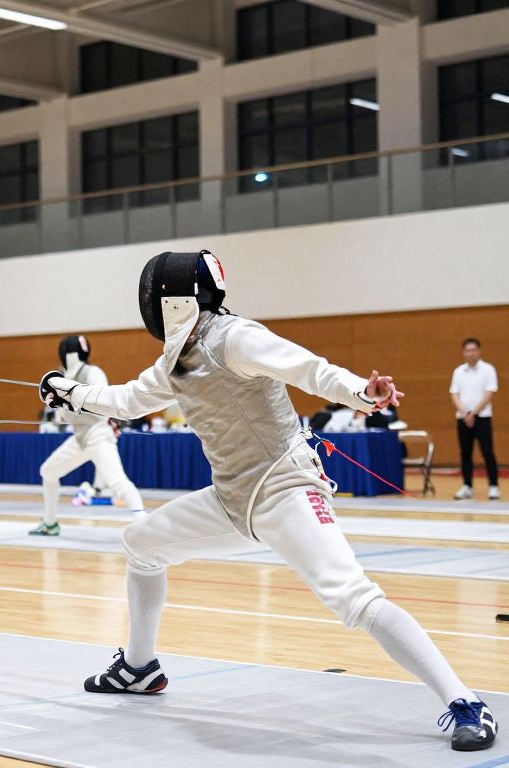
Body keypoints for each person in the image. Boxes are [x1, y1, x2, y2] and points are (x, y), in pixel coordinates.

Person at [41, 251, 497, 752]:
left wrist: (361, 392)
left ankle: (466, 702)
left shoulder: (235, 337)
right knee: (141, 544)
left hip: (285, 489)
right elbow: (127, 401)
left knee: (355, 599)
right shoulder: (174, 359)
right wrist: (70, 392)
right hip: (231, 499)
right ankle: (139, 667)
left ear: (172, 300)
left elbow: (309, 368)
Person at [30, 335, 145, 536]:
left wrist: (70, 402)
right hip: (80, 438)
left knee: (116, 481)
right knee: (48, 472)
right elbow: (66, 417)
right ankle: (50, 523)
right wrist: (58, 407)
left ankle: (144, 523)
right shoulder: (62, 380)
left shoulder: (93, 372)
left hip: (99, 434)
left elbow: (104, 405)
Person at [451, 338, 499, 501]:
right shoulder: (458, 371)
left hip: (482, 417)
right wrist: (465, 413)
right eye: (467, 350)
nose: (470, 353)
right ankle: (467, 486)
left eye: (473, 350)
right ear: (464, 352)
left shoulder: (488, 370)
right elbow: (454, 394)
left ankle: (493, 486)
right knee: (465, 453)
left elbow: (489, 393)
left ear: (478, 351)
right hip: (463, 418)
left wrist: (474, 413)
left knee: (487, 452)